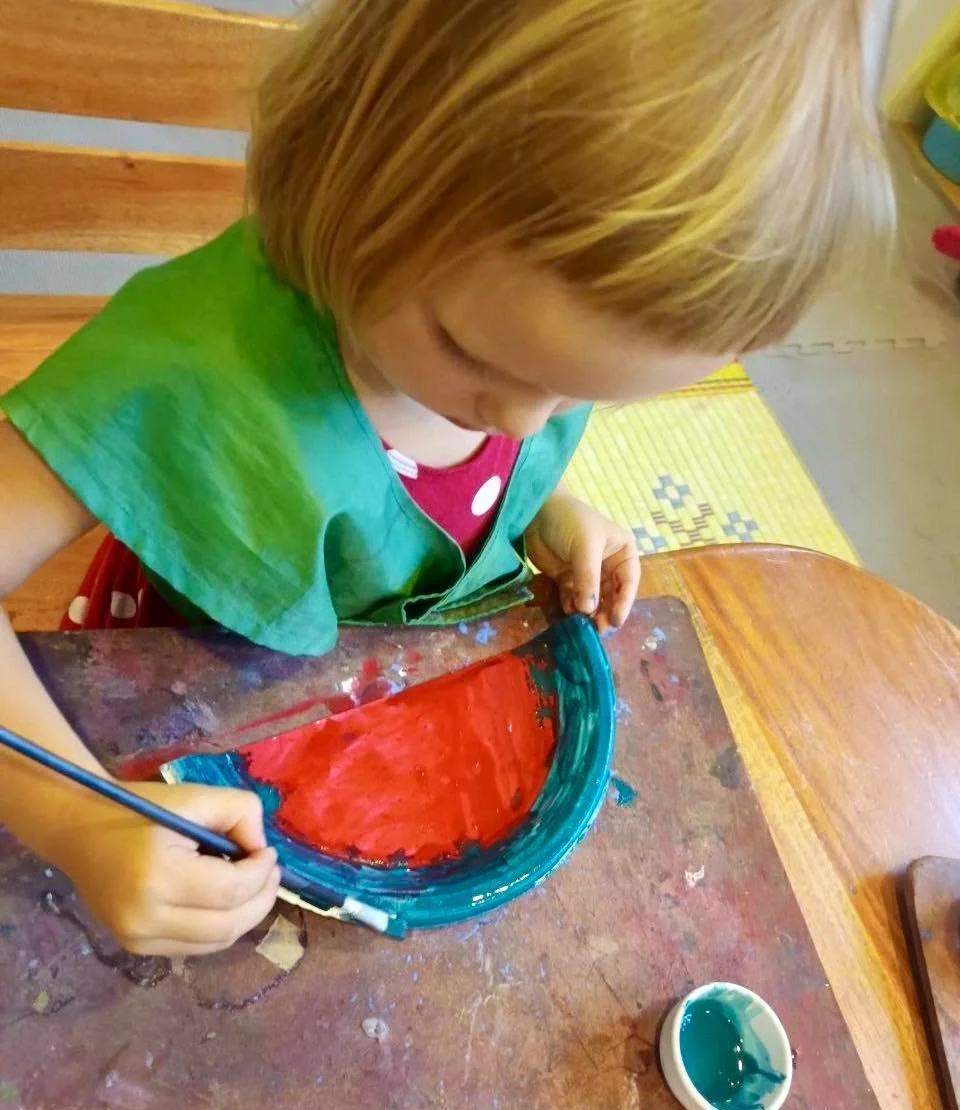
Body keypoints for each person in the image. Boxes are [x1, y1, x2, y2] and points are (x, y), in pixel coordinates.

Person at [0, 0, 891, 956]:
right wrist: (75, 819)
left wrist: (534, 507)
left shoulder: (509, 360)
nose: (518, 421)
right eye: (476, 356)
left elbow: (438, 465)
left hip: (368, 699)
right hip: (177, 709)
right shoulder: (183, 366)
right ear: (355, 165)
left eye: (578, 396)